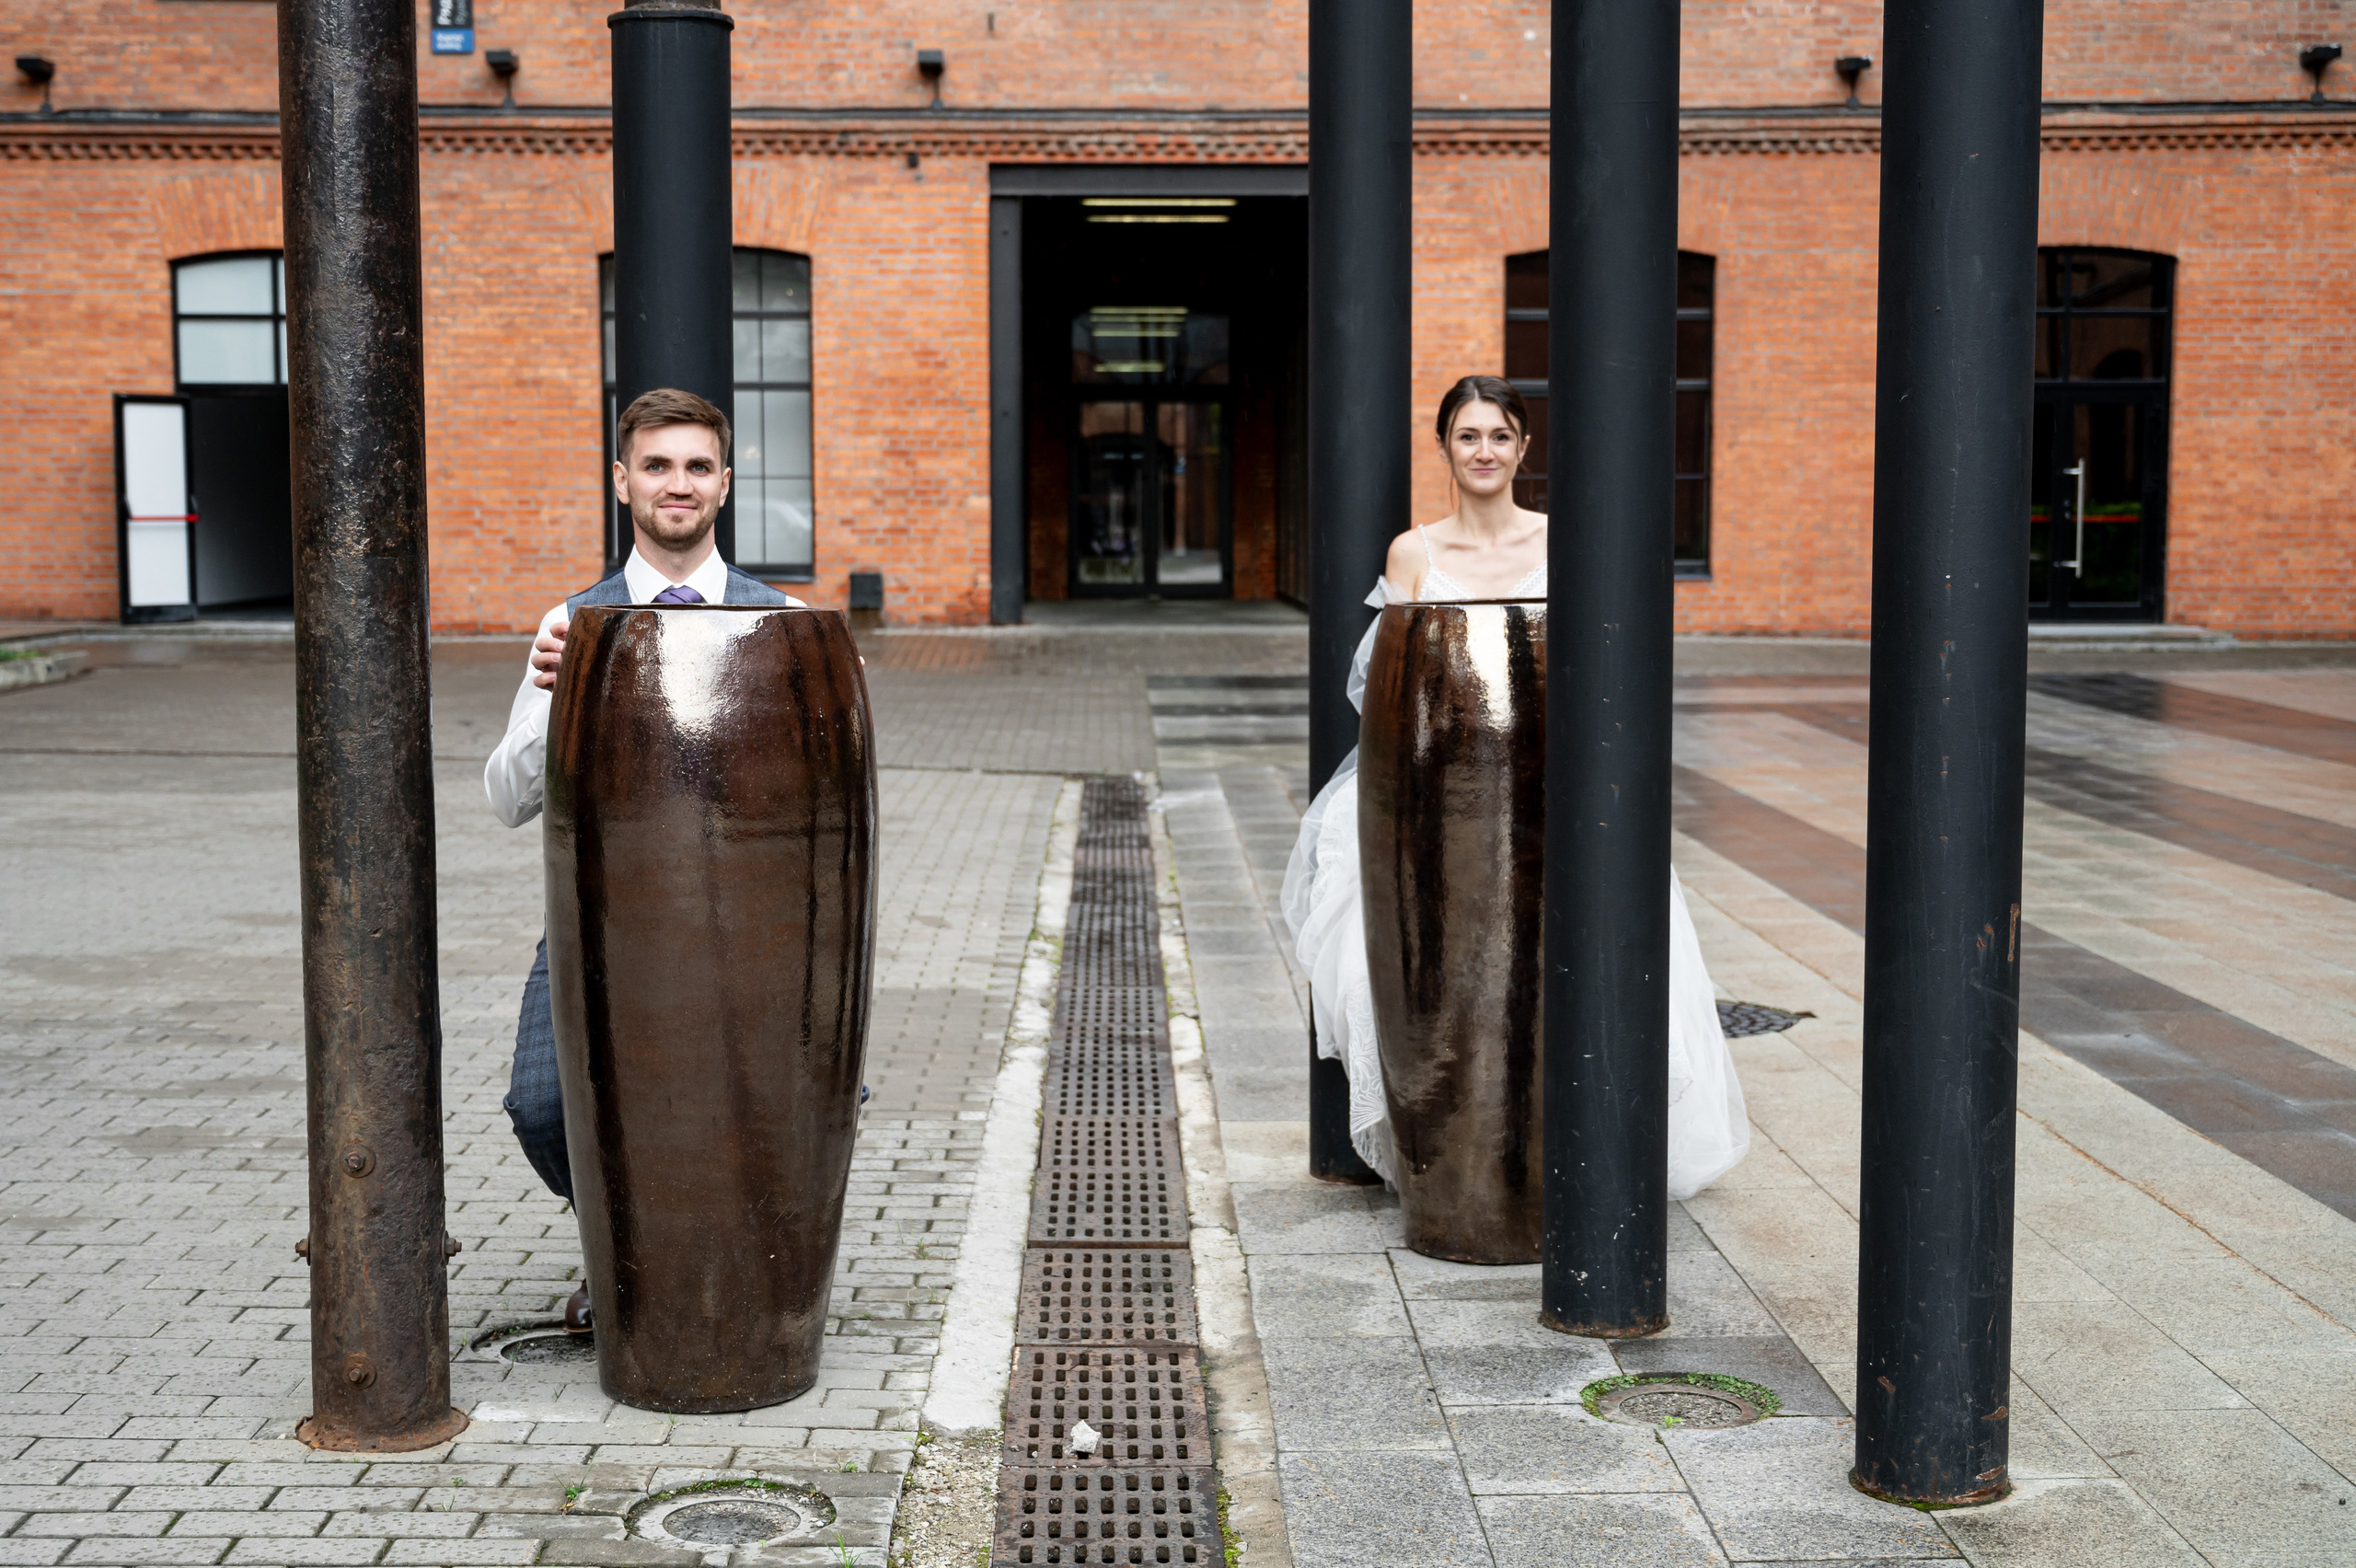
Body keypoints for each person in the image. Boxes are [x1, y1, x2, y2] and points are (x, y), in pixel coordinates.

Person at [1280, 374, 1750, 1198]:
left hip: (1546, 790)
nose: (1484, 451)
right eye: (1468, 436)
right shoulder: (1412, 553)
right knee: (1432, 979)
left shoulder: (1559, 541)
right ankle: (1463, 1149)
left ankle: (1558, 1143)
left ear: (1524, 448)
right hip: (1443, 799)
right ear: (1444, 448)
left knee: (1560, 971)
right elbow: (1391, 689)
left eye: (1499, 435)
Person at [484, 387, 803, 1332]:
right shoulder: (569, 621)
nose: (678, 484)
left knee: (785, 1101)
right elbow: (506, 799)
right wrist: (552, 699)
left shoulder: (783, 619)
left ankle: (741, 1265)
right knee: (543, 1108)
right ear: (623, 482)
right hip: (602, 924)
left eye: (697, 466)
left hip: (743, 930)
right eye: (657, 466)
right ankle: (621, 1245)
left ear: (726, 484)